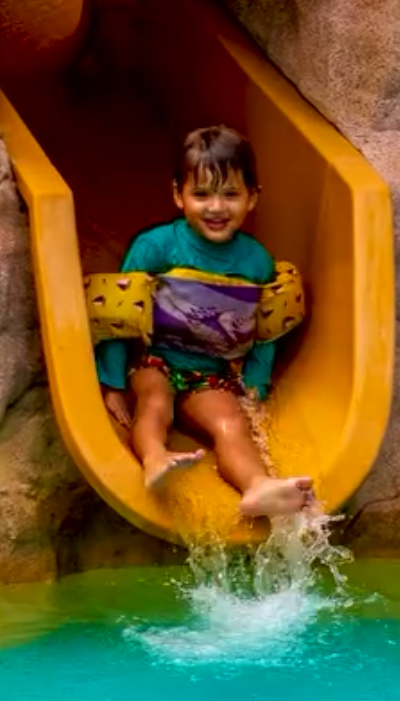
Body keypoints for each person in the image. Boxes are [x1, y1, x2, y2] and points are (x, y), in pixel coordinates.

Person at [96, 125, 313, 518]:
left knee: (231, 423)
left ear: (253, 198)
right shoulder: (157, 247)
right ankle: (154, 457)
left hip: (209, 375)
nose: (216, 207)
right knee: (154, 400)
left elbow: (265, 330)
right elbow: (118, 316)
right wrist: (111, 384)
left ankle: (256, 487)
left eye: (230, 194)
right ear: (178, 194)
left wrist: (256, 385)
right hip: (154, 361)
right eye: (202, 194)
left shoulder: (256, 262)